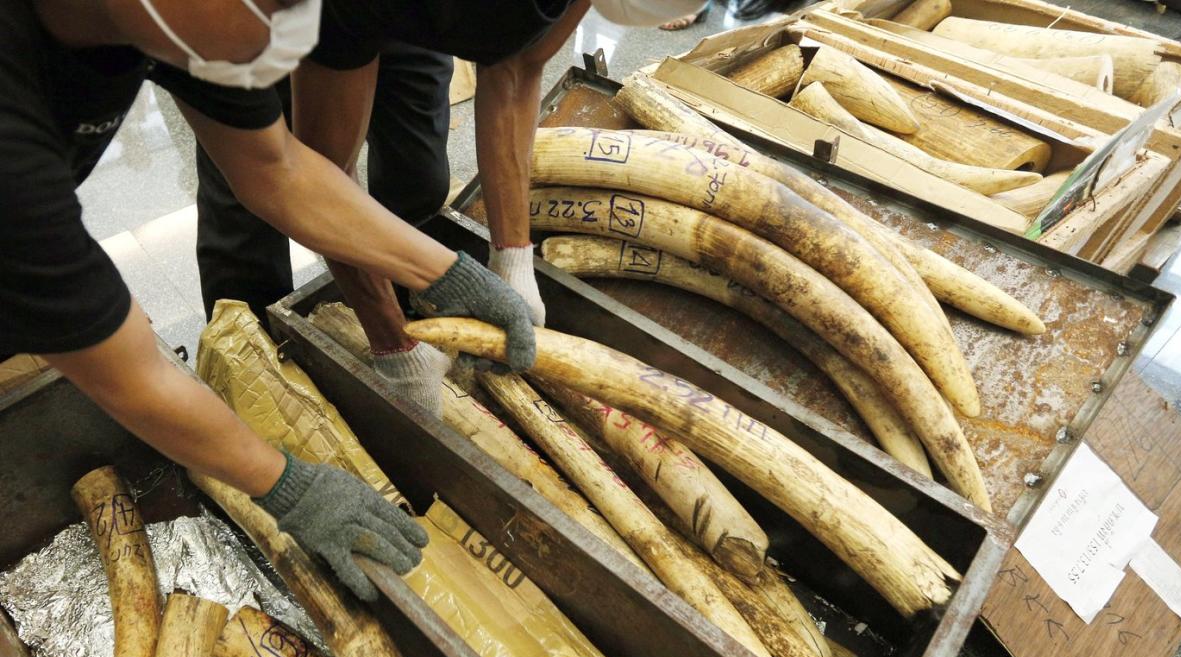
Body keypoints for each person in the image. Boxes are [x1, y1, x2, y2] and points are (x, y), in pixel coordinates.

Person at [0, 0, 537, 601]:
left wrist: (448, 274)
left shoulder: (177, 22)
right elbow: (128, 370)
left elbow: (276, 168)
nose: (296, 26)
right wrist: (285, 485)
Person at [193, 0, 708, 419]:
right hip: (280, 23)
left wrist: (513, 258)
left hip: (392, 19)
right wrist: (392, 345)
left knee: (419, 178)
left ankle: (407, 306)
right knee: (247, 215)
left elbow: (518, 71)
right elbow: (307, 180)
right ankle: (253, 370)